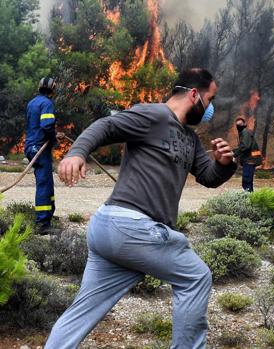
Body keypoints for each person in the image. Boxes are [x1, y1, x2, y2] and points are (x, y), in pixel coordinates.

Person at [44, 68, 237, 349]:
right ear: (194, 95)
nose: (211, 109)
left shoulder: (190, 139)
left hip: (113, 234)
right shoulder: (153, 115)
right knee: (196, 277)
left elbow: (208, 177)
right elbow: (105, 126)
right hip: (131, 226)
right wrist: (76, 153)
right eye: (211, 99)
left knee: (82, 312)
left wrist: (223, 163)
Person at [25, 77, 65, 234]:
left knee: (46, 182)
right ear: (52, 89)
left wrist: (54, 135)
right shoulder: (47, 103)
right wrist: (54, 140)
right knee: (44, 184)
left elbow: (36, 126)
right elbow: (47, 125)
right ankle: (43, 224)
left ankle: (48, 215)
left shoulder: (32, 103)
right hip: (39, 148)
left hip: (32, 146)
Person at [233, 116, 261, 192]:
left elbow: (245, 146)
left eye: (240, 124)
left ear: (244, 124)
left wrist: (235, 153)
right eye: (237, 125)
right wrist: (234, 150)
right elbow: (244, 146)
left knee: (246, 181)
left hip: (250, 160)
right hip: (250, 160)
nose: (239, 126)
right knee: (248, 181)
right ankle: (250, 198)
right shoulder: (244, 132)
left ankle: (248, 198)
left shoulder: (245, 132)